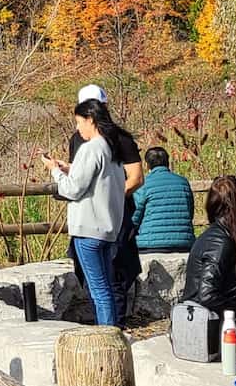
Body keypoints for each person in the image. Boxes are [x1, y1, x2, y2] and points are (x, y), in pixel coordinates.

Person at [42, 98, 126, 326]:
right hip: (108, 229)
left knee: (99, 292)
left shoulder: (91, 148)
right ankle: (112, 332)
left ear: (90, 120)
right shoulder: (112, 148)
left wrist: (55, 172)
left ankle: (106, 336)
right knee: (106, 287)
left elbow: (73, 189)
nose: (78, 128)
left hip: (88, 229)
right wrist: (69, 167)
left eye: (79, 122)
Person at [65, 84, 144, 325]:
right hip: (103, 218)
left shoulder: (114, 141)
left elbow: (136, 177)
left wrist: (109, 197)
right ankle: (111, 327)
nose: (79, 126)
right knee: (101, 281)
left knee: (107, 282)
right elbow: (84, 175)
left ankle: (111, 329)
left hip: (103, 218)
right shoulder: (84, 140)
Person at [181, 174, 236, 350]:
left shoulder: (220, 236)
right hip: (214, 331)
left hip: (219, 324)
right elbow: (207, 295)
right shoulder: (220, 242)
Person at [131, 146, 195, 253]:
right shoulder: (183, 182)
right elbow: (190, 212)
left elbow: (134, 219)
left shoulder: (144, 184)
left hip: (150, 244)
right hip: (184, 243)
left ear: (147, 165)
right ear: (168, 162)